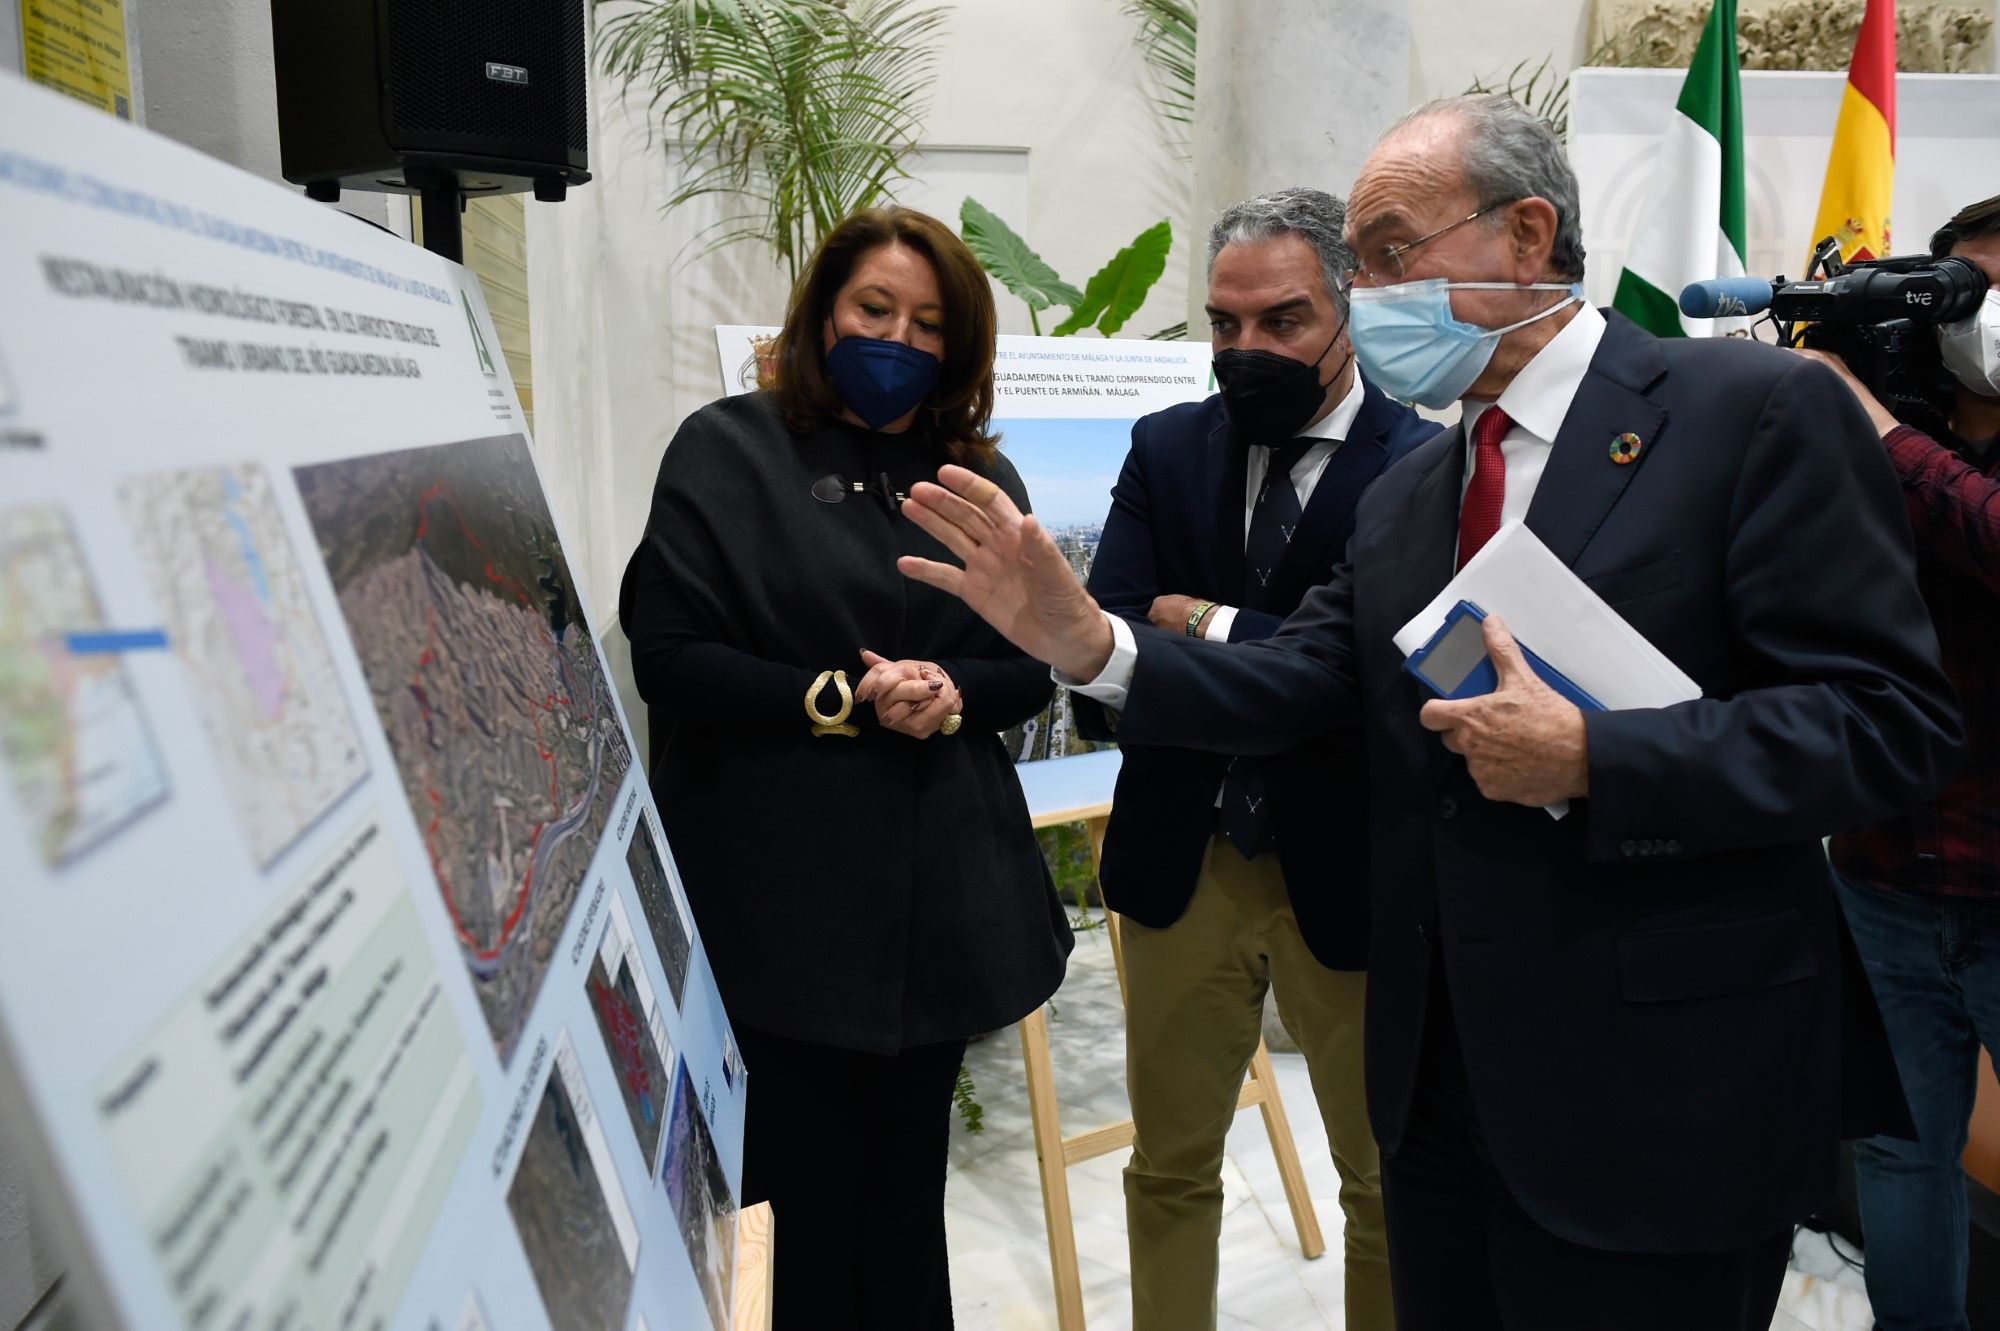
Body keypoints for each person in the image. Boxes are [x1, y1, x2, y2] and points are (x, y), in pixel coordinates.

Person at [896, 95, 1963, 1328]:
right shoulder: (1415, 488)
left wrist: (1594, 755)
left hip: (1656, 1089)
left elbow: (1887, 722)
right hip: (1437, 1085)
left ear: (1524, 232)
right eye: (1358, 264)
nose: (1368, 292)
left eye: (1392, 251)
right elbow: (1299, 679)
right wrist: (1090, 642)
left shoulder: (1750, 411)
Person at [618, 205, 1074, 1330]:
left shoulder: (979, 473)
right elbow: (670, 657)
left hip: (936, 907)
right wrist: (842, 698)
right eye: (875, 309)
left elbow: (1036, 662)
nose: (899, 340)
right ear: (824, 309)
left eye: (928, 323)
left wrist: (956, 688)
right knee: (792, 1205)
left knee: (904, 1203)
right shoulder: (725, 449)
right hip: (771, 907)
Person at [1077, 186, 1429, 1331]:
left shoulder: (1421, 464)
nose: (1244, 350)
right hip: (1188, 858)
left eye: (1279, 322)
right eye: (1223, 325)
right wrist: (1218, 648)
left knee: (1382, 1180)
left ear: (1348, 311)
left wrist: (1208, 626)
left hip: (1353, 870)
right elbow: (1109, 634)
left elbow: (1392, 676)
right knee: (1166, 1164)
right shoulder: (1165, 446)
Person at [1795, 192, 2000, 1331]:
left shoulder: (1891, 437)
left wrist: (1873, 425)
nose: (1981, 320)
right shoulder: (1882, 431)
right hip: (1882, 865)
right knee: (1899, 1151)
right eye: (1963, 294)